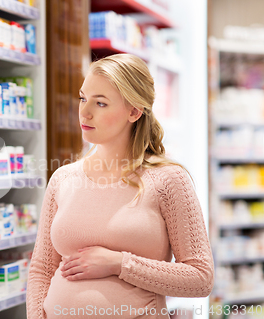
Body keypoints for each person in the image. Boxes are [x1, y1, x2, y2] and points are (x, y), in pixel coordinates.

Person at [26, 54, 214, 319]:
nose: (85, 111)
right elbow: (42, 270)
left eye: (100, 103)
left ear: (134, 111)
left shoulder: (168, 180)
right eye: (83, 98)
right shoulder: (63, 178)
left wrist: (119, 263)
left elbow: (200, 278)